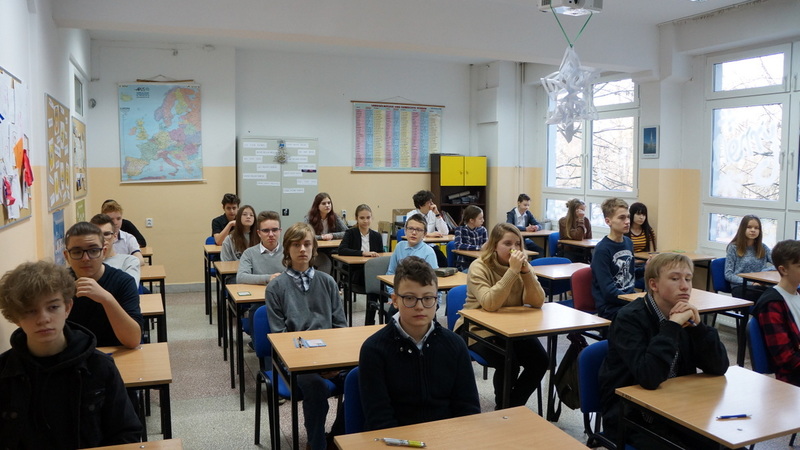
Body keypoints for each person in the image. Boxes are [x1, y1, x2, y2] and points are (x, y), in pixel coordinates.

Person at [0, 260, 142, 448]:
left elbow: (126, 433)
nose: (43, 319)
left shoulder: (100, 366)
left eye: (53, 307)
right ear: (15, 318)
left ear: (67, 308)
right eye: (30, 311)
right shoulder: (4, 372)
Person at [598, 253, 729, 448]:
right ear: (653, 284)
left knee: (728, 445)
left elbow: (719, 367)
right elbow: (649, 377)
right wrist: (672, 327)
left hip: (678, 408)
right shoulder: (629, 319)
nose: (684, 286)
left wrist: (699, 329)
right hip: (632, 415)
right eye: (675, 279)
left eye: (688, 279)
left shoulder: (685, 314)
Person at [358, 256, 481, 431]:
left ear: (437, 300)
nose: (420, 306)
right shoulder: (374, 350)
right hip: (397, 439)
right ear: (395, 300)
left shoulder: (455, 345)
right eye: (409, 298)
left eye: (428, 298)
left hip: (447, 436)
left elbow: (468, 409)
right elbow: (380, 420)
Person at [266, 222, 347, 450]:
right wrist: (312, 363)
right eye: (296, 244)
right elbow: (279, 336)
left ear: (314, 249)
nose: (302, 249)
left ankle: (338, 437)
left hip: (330, 357)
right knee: (316, 386)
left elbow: (341, 327)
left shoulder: (327, 282)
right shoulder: (276, 288)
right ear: (287, 249)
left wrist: (334, 362)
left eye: (307, 244)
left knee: (361, 377)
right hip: (296, 362)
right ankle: (316, 443)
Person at [455, 223, 548, 409]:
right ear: (494, 245)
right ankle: (504, 408)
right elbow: (490, 303)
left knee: (541, 361)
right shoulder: (479, 266)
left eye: (518, 244)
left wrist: (525, 273)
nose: (514, 249)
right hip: (477, 329)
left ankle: (511, 407)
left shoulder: (524, 267)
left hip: (511, 328)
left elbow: (538, 301)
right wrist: (512, 272)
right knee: (509, 362)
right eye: (507, 243)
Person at [63, 222, 142, 348]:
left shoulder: (123, 281)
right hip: (73, 355)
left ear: (104, 252)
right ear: (67, 256)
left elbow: (133, 340)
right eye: (77, 252)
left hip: (115, 355)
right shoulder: (59, 284)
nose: (86, 258)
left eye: (93, 251)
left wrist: (106, 299)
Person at [753, 239, 800, 387]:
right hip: (792, 379)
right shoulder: (772, 304)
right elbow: (785, 358)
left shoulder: (797, 295)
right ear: (783, 270)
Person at [591, 197, 642, 321]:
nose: (627, 221)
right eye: (621, 218)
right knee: (646, 318)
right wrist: (634, 300)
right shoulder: (602, 250)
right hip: (611, 307)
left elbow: (629, 274)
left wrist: (647, 268)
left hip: (628, 300)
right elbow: (609, 292)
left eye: (628, 217)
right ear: (608, 221)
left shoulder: (628, 242)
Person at [338, 204, 383, 324]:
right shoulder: (350, 233)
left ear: (372, 218)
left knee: (378, 283)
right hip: (356, 272)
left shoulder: (376, 236)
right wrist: (363, 253)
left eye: (368, 217)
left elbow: (381, 255)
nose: (365, 221)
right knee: (375, 283)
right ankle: (370, 320)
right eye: (362, 218)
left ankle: (381, 315)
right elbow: (342, 250)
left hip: (372, 272)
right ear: (356, 218)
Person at [725, 214, 774, 301]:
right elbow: (728, 274)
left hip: (760, 286)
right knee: (768, 298)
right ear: (743, 229)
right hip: (741, 286)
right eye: (749, 227)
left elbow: (779, 265)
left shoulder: (763, 247)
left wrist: (764, 271)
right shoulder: (733, 247)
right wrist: (751, 283)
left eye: (756, 228)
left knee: (777, 294)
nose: (753, 230)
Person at [90, 213, 141, 285]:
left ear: (115, 236)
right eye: (97, 234)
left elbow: (130, 289)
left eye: (106, 234)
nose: (102, 239)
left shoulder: (129, 261)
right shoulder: (85, 261)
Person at [236, 211, 284, 286]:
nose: (271, 234)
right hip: (258, 292)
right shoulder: (249, 253)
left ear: (280, 231)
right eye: (266, 231)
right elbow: (241, 277)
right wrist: (269, 278)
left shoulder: (289, 252)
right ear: (259, 233)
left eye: (274, 230)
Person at [407, 190, 449, 267]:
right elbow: (409, 232)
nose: (432, 205)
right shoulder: (411, 215)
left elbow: (445, 232)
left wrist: (437, 214)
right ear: (421, 205)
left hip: (431, 246)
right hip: (417, 246)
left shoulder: (433, 213)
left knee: (443, 260)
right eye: (429, 202)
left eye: (431, 202)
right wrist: (429, 234)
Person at [101, 200, 144, 266]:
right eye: (111, 219)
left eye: (118, 219)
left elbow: (140, 260)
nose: (115, 223)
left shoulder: (129, 238)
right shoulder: (97, 239)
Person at [453, 205, 487, 271]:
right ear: (471, 220)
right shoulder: (460, 229)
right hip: (465, 265)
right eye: (480, 218)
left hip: (479, 263)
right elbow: (458, 245)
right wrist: (479, 248)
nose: (483, 220)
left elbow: (485, 247)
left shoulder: (483, 230)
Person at [557, 198, 592, 262]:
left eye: (583, 210)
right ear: (574, 210)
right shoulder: (563, 221)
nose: (583, 213)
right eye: (581, 210)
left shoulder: (586, 220)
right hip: (569, 252)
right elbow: (578, 236)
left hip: (583, 251)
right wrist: (580, 219)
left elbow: (589, 238)